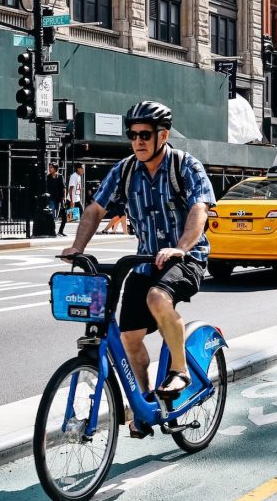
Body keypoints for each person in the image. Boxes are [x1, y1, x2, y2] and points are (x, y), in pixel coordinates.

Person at [61, 101, 216, 437]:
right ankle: (145, 405)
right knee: (129, 337)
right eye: (132, 135)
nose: (138, 141)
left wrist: (181, 247)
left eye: (145, 135)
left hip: (187, 258)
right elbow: (94, 210)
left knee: (159, 299)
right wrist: (77, 248)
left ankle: (180, 369)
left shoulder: (185, 166)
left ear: (163, 135)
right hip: (146, 261)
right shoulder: (125, 170)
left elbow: (199, 211)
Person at [45, 164, 66, 234]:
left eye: (51, 168)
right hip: (51, 198)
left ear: (55, 169)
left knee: (56, 215)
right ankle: (52, 230)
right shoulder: (48, 177)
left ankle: (55, 230)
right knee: (52, 214)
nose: (49, 169)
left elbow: (63, 187)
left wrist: (64, 197)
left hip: (59, 198)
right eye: (49, 167)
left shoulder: (60, 176)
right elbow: (47, 187)